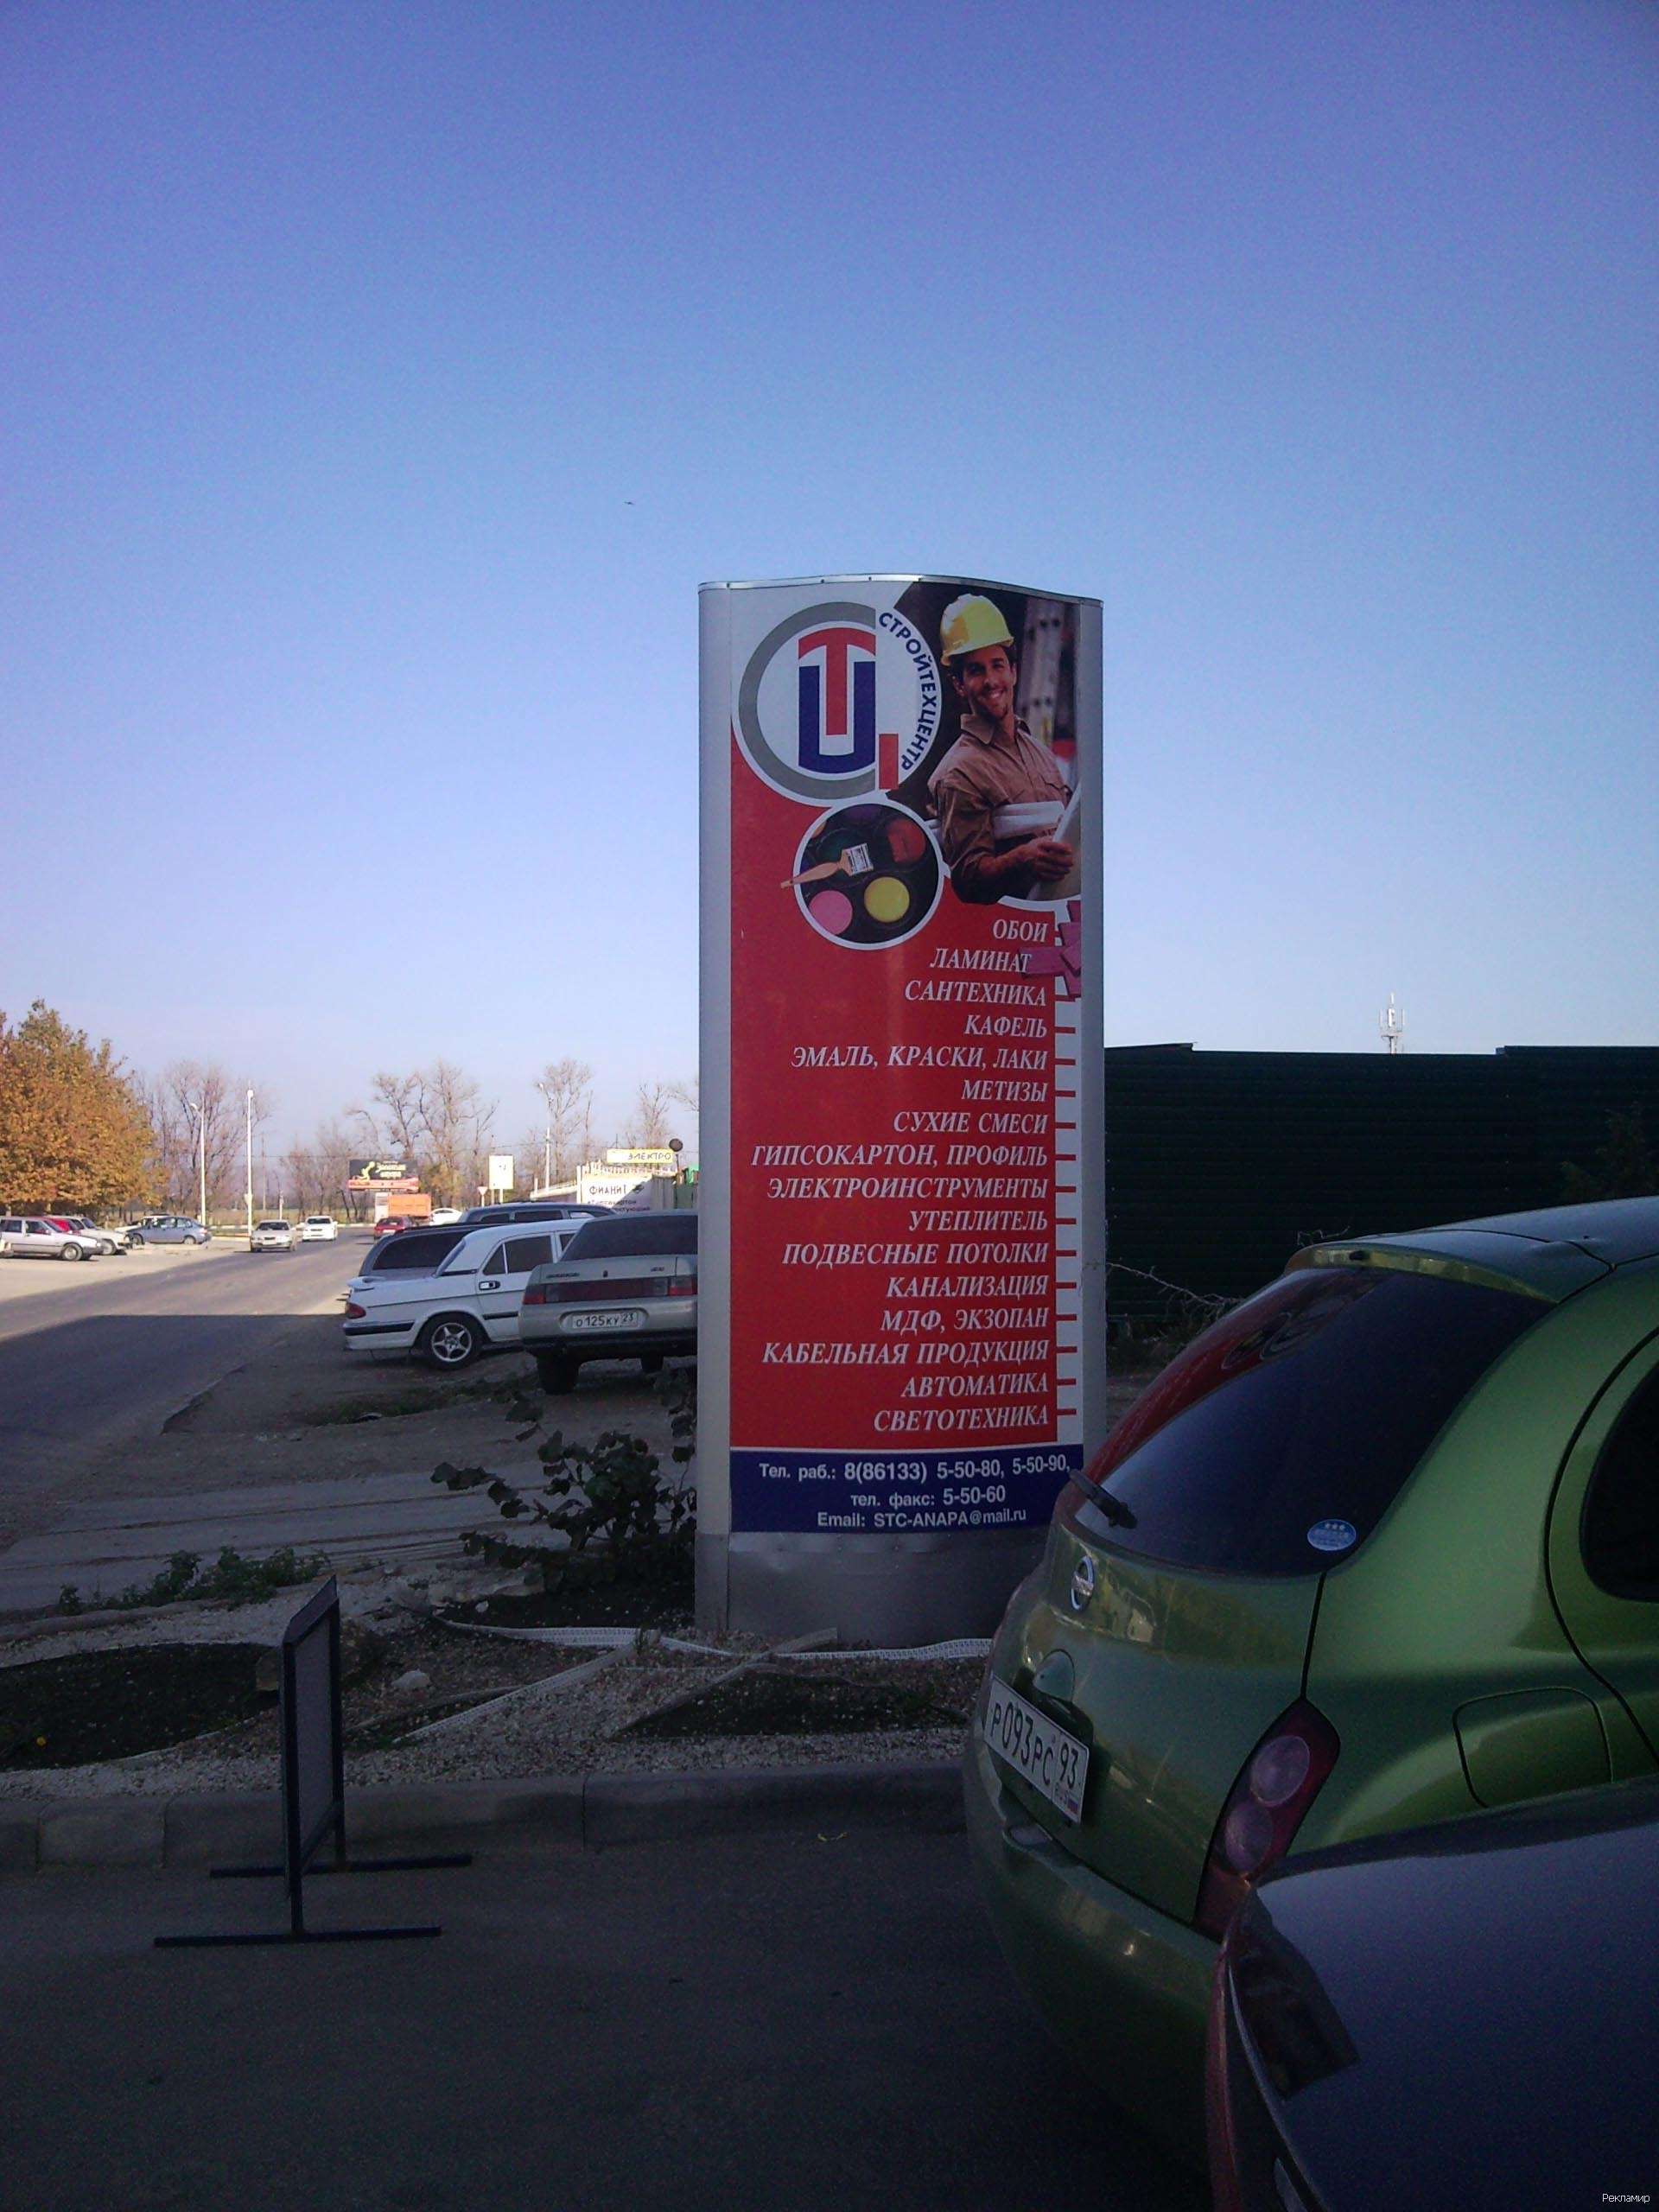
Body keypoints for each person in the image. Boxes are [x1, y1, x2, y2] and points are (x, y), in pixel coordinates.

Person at [925, 594, 1075, 903]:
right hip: (1008, 929)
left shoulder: (1039, 753)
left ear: (1013, 672)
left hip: (1059, 923)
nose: (991, 681)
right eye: (976, 670)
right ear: (959, 684)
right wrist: (1023, 858)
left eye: (998, 665)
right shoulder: (959, 772)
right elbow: (967, 880)